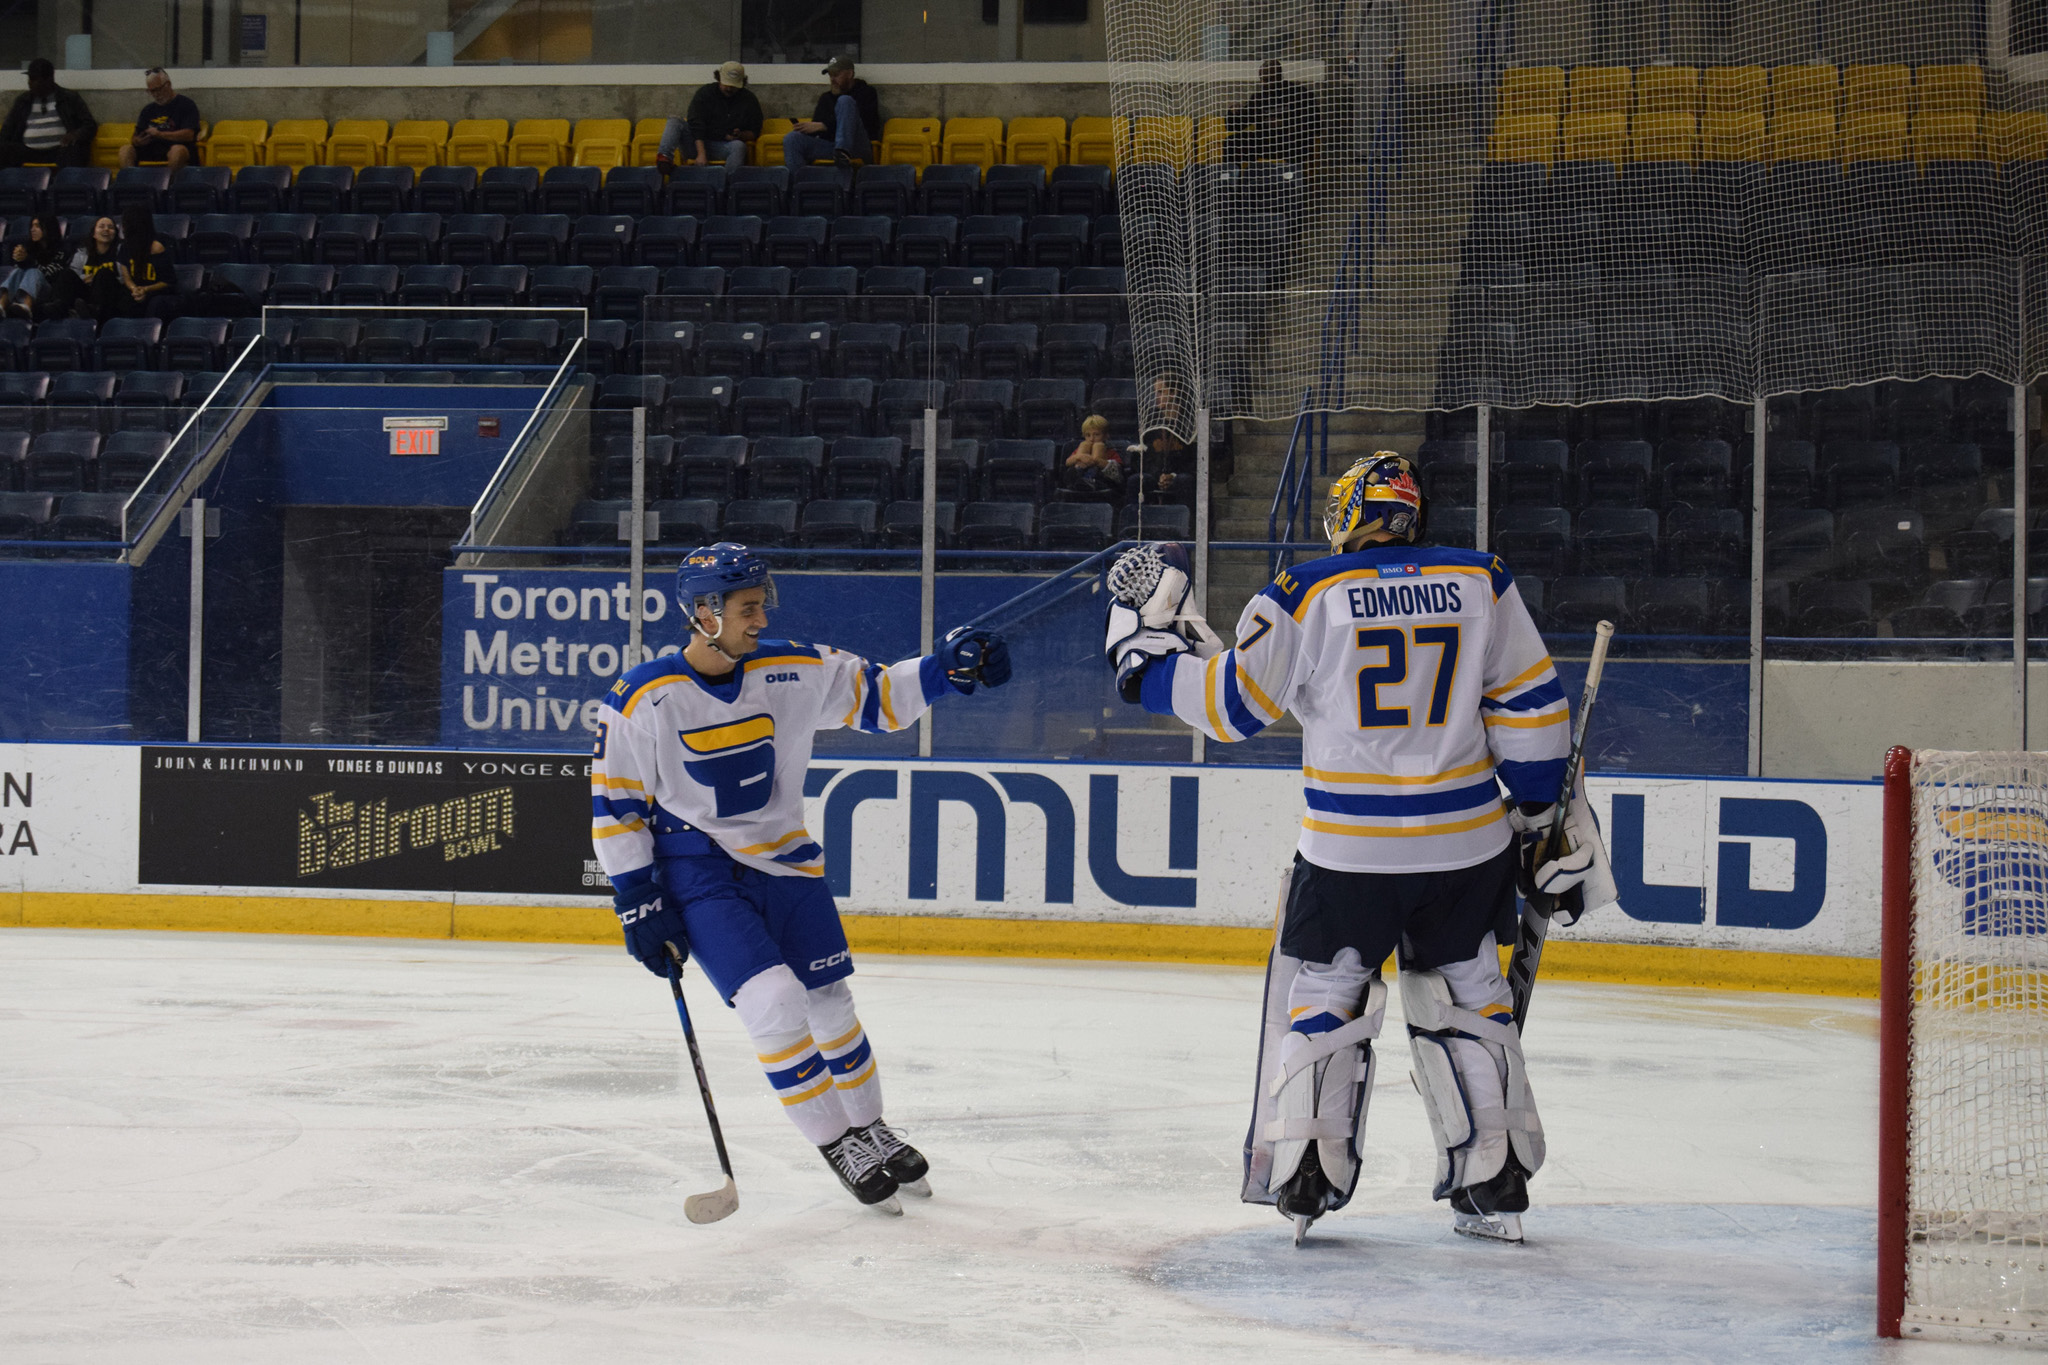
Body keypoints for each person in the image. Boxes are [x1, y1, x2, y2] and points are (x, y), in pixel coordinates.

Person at [1102, 453, 1616, 1245]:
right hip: (1466, 845)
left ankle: (1308, 1171)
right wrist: (1543, 810)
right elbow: (1534, 713)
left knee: (1327, 995)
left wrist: (1144, 664)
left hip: (1348, 852)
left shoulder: (1305, 591)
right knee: (1474, 997)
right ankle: (1496, 1174)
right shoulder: (1484, 579)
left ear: (1349, 515)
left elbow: (1231, 707)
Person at [590, 543, 1013, 1212]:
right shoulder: (645, 697)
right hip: (699, 872)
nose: (760, 619)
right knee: (774, 1002)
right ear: (703, 612)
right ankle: (836, 1139)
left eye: (762, 605)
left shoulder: (793, 667)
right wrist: (637, 898)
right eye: (746, 607)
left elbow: (879, 695)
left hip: (788, 863)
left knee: (831, 1001)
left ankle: (871, 1127)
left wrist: (945, 671)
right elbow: (616, 806)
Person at [657, 61, 763, 173]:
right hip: (697, 142)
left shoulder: (749, 100)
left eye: (733, 86)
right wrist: (701, 153)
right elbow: (696, 124)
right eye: (726, 84)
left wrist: (741, 135)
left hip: (723, 145)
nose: (729, 89)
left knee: (739, 147)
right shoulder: (705, 94)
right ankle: (665, 158)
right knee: (675, 121)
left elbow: (755, 131)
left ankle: (728, 181)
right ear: (719, 78)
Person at [783, 55, 880, 169]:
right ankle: (800, 182)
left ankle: (843, 152)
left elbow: (865, 123)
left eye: (836, 75)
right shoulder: (826, 98)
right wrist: (806, 129)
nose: (832, 79)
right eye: (830, 75)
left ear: (849, 74)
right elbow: (818, 129)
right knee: (792, 139)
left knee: (844, 101)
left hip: (858, 146)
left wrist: (825, 126)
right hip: (831, 147)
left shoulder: (866, 93)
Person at [0, 59, 97, 169]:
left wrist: (75, 134)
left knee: (76, 150)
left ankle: (69, 184)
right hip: (28, 151)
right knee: (3, 149)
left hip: (60, 151)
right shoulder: (23, 101)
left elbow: (90, 126)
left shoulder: (69, 98)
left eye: (34, 79)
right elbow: (6, 131)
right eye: (30, 79)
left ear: (49, 79)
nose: (29, 83)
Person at [1223, 58, 1312, 164]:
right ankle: (1236, 178)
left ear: (1278, 77)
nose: (1264, 83)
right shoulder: (1259, 98)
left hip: (1291, 139)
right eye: (1262, 79)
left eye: (1268, 79)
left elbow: (1313, 122)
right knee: (1232, 142)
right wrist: (1233, 113)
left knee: (1298, 142)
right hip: (1266, 140)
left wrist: (1284, 123)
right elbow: (1234, 126)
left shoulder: (1298, 93)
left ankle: (1294, 177)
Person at [120, 68, 201, 170]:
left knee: (177, 151)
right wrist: (138, 141)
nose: (156, 94)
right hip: (152, 149)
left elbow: (189, 135)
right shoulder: (148, 110)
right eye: (151, 91)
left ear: (168, 85)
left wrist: (160, 134)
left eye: (158, 89)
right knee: (125, 150)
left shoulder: (186, 104)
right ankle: (130, 182)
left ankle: (168, 183)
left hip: (178, 147)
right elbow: (135, 136)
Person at [1, 214, 78, 318]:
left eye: (37, 226)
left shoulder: (62, 250)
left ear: (49, 228)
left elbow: (50, 273)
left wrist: (28, 261)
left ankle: (27, 306)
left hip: (49, 293)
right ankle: (2, 305)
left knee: (33, 271)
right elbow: (20, 273)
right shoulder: (29, 248)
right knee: (17, 271)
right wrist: (20, 260)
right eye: (32, 226)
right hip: (23, 290)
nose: (32, 230)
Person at [119, 205, 178, 318]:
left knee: (155, 303)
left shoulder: (156, 247)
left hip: (156, 290)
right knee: (123, 298)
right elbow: (126, 277)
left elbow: (168, 281)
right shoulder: (125, 247)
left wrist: (145, 289)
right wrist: (134, 289)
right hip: (136, 291)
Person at [70, 216, 129, 320]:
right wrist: (85, 278)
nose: (106, 229)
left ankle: (96, 310)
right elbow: (73, 275)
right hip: (86, 294)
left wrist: (96, 278)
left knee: (104, 273)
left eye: (111, 227)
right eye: (101, 226)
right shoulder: (82, 253)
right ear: (93, 233)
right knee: (66, 274)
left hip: (111, 296)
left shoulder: (122, 252)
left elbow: (127, 277)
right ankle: (60, 309)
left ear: (115, 233)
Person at [1059, 414, 1125, 502]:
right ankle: (1080, 482)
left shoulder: (1110, 451)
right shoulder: (1080, 450)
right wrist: (1079, 456)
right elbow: (1068, 462)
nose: (1092, 439)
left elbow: (1117, 471)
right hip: (1079, 478)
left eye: (1096, 435)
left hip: (1101, 481)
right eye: (1088, 435)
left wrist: (1096, 460)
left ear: (1106, 435)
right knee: (1073, 470)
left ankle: (1089, 483)